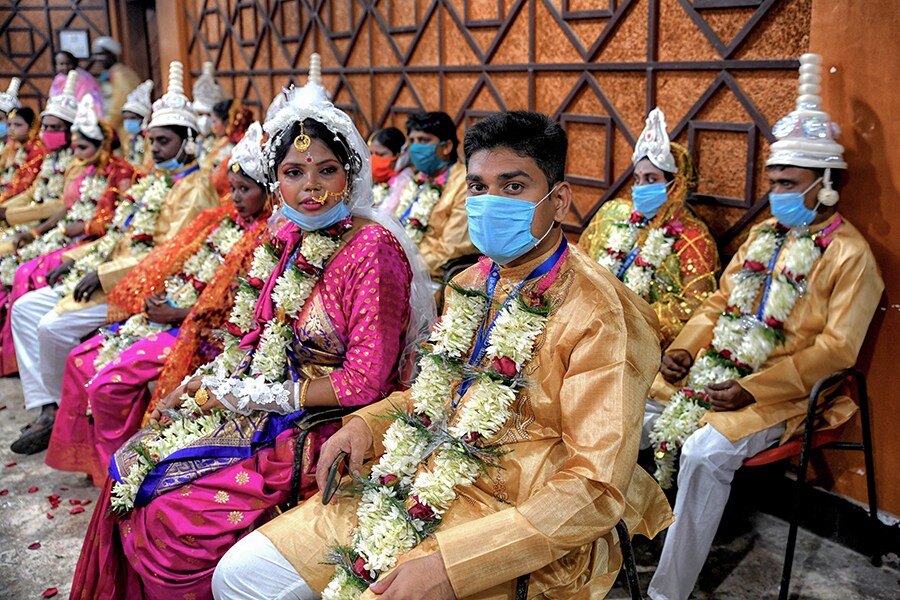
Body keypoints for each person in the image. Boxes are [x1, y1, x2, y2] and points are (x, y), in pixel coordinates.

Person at [213, 110, 672, 600]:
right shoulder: (472, 283)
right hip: (418, 478)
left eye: (513, 187)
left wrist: (454, 568)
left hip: (518, 524)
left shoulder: (601, 315)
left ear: (557, 200)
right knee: (239, 576)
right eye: (477, 187)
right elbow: (433, 396)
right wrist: (364, 425)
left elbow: (593, 491)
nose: (490, 202)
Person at [69, 66, 435, 599]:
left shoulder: (374, 251)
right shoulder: (285, 231)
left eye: (326, 171)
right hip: (262, 396)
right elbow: (255, 333)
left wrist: (258, 394)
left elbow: (366, 385)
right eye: (293, 173)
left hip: (323, 420)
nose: (310, 188)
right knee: (131, 465)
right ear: (275, 182)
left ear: (350, 175)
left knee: (171, 511)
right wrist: (202, 383)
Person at [643, 54, 884, 600]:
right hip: (717, 369)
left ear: (824, 185)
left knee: (705, 452)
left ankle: (667, 592)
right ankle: (614, 545)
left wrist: (750, 388)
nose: (775, 193)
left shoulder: (851, 256)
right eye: (772, 181)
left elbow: (838, 350)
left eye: (788, 183)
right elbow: (718, 304)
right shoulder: (764, 235)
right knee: (628, 404)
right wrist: (683, 349)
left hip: (785, 393)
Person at [8, 61, 217, 455]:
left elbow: (167, 255)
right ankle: (47, 406)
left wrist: (103, 276)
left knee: (51, 327)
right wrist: (83, 260)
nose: (154, 150)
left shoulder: (195, 189)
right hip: (110, 270)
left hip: (141, 285)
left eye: (163, 142)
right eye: (152, 142)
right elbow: (118, 235)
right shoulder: (157, 180)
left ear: (189, 141)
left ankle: (56, 417)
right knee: (23, 309)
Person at [46, 121, 271, 484]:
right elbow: (181, 262)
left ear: (270, 192)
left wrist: (178, 313)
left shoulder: (267, 237)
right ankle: (97, 467)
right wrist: (165, 297)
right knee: (79, 359)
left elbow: (245, 311)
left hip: (205, 333)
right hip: (178, 315)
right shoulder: (227, 221)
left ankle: (117, 476)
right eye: (233, 189)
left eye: (245, 190)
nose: (236, 199)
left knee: (106, 385)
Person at [0, 95, 135, 376]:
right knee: (21, 269)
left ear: (101, 145)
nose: (76, 149)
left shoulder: (121, 172)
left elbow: (115, 221)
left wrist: (80, 229)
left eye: (83, 145)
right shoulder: (76, 165)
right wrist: (35, 228)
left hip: (97, 245)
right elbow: (65, 206)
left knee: (26, 271)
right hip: (73, 237)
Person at [581, 107, 719, 347]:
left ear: (675, 185)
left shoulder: (694, 238)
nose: (641, 187)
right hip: (589, 324)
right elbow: (581, 263)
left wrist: (629, 320)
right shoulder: (614, 214)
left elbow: (696, 305)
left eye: (651, 180)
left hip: (640, 340)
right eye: (637, 179)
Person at [395, 111, 476, 279]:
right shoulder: (419, 179)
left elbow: (452, 249)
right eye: (412, 141)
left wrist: (398, 265)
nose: (415, 148)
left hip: (433, 277)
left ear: (446, 147)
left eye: (424, 140)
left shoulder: (465, 185)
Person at [0, 71, 78, 247]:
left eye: (55, 128)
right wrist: (6, 210)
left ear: (70, 130)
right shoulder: (52, 157)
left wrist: (10, 213)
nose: (48, 133)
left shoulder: (75, 161)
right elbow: (32, 192)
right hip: (33, 217)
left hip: (54, 226)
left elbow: (61, 204)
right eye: (47, 127)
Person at [91, 36, 141, 146]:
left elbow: (119, 106)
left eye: (101, 54)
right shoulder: (108, 74)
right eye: (95, 54)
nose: (97, 58)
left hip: (120, 130)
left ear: (112, 54)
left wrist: (105, 128)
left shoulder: (121, 75)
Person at [202, 98, 255, 196]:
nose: (213, 127)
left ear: (226, 122)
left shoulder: (233, 149)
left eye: (214, 121)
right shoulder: (220, 142)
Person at [369, 126, 413, 215]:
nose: (374, 159)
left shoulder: (407, 180)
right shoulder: (372, 180)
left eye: (380, 154)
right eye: (371, 153)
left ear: (399, 154)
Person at [193, 61, 227, 157]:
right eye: (200, 114)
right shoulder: (194, 140)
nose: (204, 120)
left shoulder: (224, 145)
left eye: (208, 115)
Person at [120, 80, 154, 172]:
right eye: (126, 118)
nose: (128, 122)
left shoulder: (151, 138)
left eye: (132, 118)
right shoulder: (128, 140)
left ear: (143, 119)